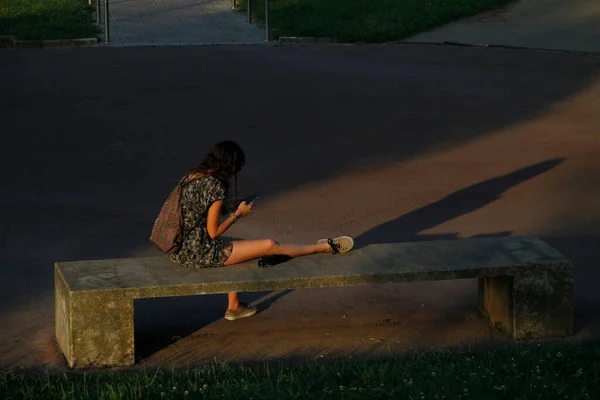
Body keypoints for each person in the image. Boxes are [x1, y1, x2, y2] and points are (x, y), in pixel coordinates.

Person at [170, 140, 354, 321]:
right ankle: (323, 247)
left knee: (240, 250)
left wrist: (228, 206)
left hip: (180, 248)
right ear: (230, 165)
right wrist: (238, 215)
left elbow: (196, 210)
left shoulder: (192, 176)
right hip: (200, 252)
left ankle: (234, 307)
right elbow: (213, 232)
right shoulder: (215, 186)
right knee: (270, 245)